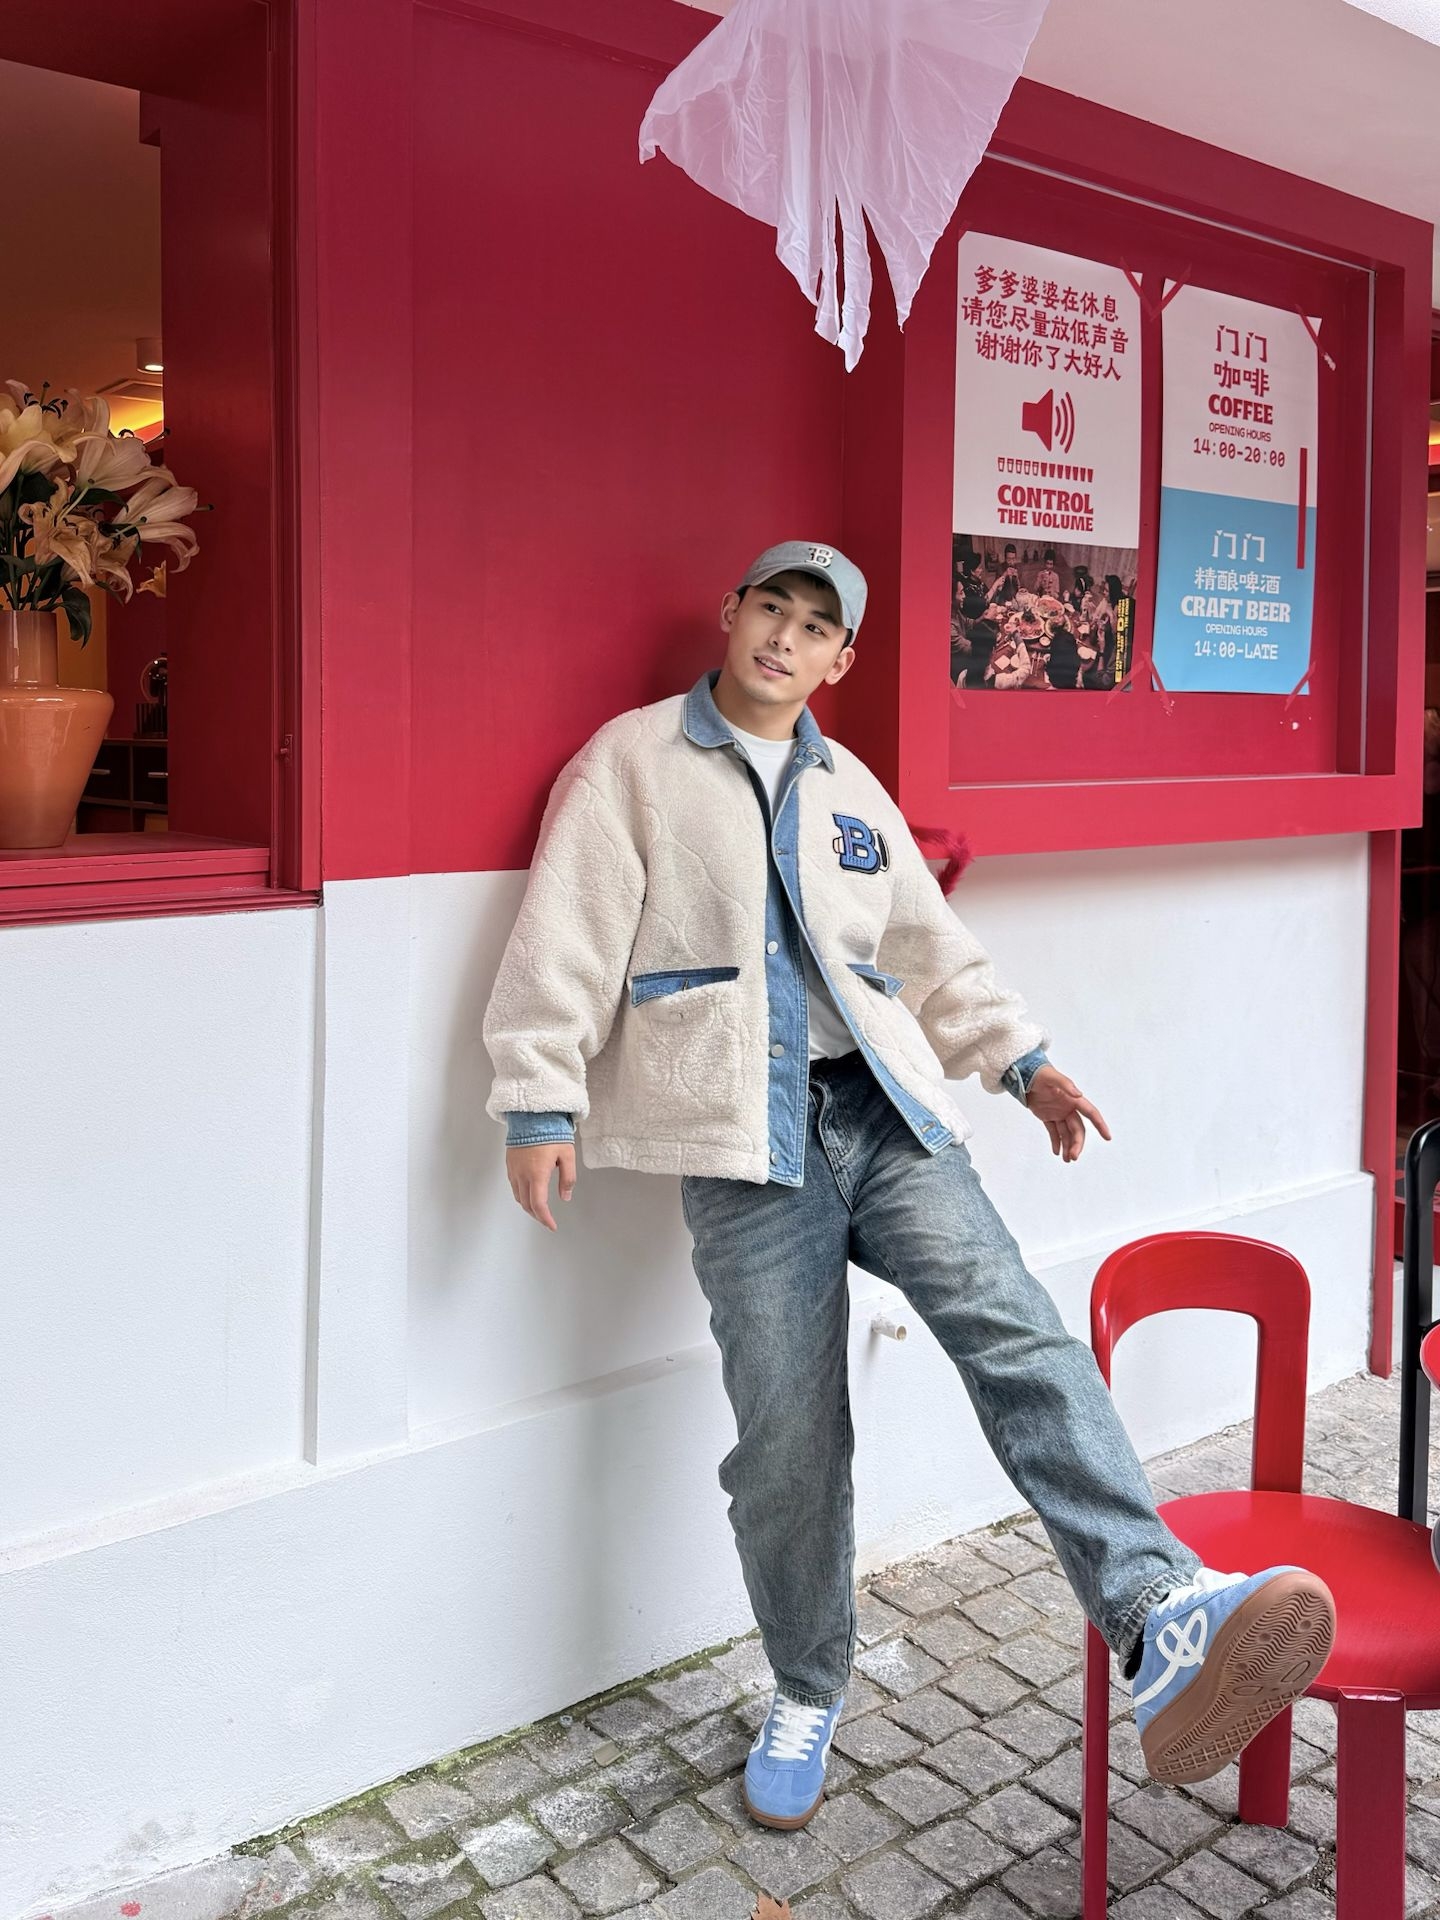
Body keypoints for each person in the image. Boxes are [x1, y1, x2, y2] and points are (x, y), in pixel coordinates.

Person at [483, 539, 1335, 1833]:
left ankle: (1159, 1608)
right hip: (744, 1142)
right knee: (787, 1437)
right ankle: (806, 1683)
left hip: (884, 1114)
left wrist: (1024, 1064)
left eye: (815, 626)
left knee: (1019, 1336)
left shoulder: (849, 788)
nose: (785, 636)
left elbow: (932, 952)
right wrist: (539, 1098)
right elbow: (565, 938)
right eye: (771, 607)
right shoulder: (633, 763)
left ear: (842, 659)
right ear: (732, 613)